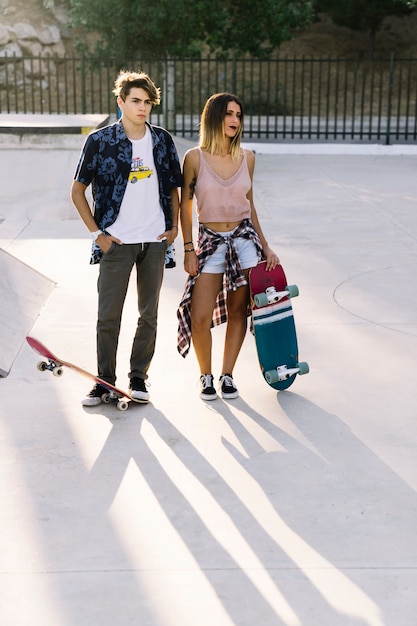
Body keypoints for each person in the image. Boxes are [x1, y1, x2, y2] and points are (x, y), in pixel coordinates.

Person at [71, 70, 182, 406]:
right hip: (116, 242)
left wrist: (173, 227)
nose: (142, 107)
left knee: (148, 314)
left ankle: (138, 378)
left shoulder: (162, 140)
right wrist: (97, 234)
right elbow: (77, 191)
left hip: (154, 242)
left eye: (147, 102)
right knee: (108, 315)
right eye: (135, 101)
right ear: (121, 102)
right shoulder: (100, 141)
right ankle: (104, 381)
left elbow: (174, 187)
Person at [177, 92, 279, 401]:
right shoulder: (194, 158)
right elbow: (185, 206)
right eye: (229, 114)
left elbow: (249, 204)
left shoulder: (247, 157)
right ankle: (205, 376)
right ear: (214, 117)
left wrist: (265, 245)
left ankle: (227, 375)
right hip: (210, 243)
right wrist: (188, 248)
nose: (235, 120)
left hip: (244, 241)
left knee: (239, 313)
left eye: (239, 115)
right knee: (199, 316)